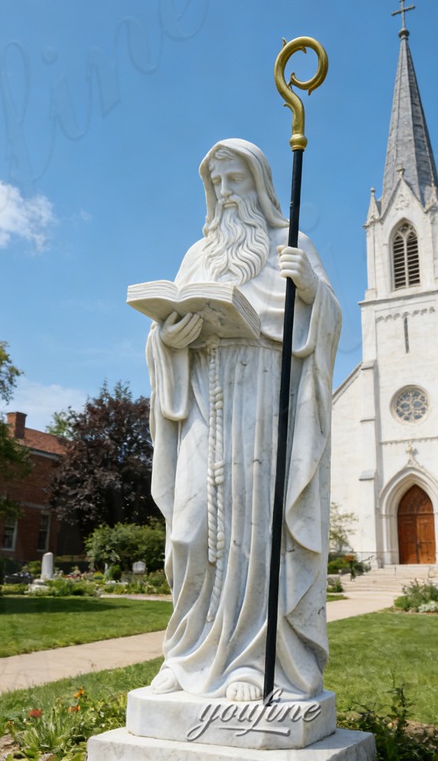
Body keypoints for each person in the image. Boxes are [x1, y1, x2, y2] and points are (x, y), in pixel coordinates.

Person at [145, 138, 340, 702]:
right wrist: (167, 339)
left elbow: (325, 325)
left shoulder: (291, 245)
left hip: (264, 401)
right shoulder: (195, 256)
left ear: (260, 184)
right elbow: (165, 330)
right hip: (204, 397)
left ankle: (252, 662)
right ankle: (185, 656)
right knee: (190, 531)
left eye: (236, 181)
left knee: (254, 533)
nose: (227, 194)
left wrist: (309, 289)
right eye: (218, 184)